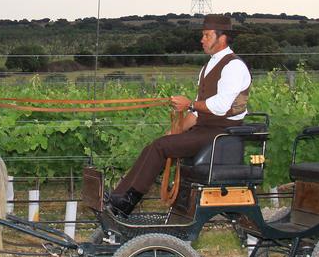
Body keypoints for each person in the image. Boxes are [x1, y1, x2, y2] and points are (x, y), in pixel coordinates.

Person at [106, 14, 251, 216]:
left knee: (160, 147)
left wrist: (189, 103)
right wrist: (175, 130)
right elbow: (197, 114)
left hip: (222, 133)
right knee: (157, 144)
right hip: (205, 129)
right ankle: (118, 196)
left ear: (222, 37)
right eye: (203, 35)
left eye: (207, 35)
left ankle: (126, 202)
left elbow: (221, 106)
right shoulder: (209, 66)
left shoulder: (234, 66)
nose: (202, 40)